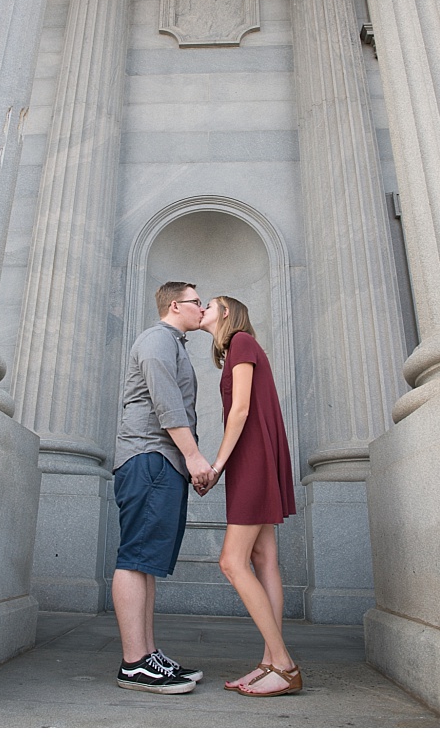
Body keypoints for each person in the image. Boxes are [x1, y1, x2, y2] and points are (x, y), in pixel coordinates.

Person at [111, 281, 213, 694]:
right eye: (197, 302)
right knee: (136, 556)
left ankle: (146, 654)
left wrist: (187, 461)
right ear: (176, 305)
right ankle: (134, 663)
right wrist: (193, 457)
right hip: (149, 456)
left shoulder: (173, 342)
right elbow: (166, 399)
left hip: (160, 459)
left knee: (147, 560)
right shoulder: (157, 338)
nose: (202, 309)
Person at [198, 295, 301, 697]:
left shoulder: (241, 341)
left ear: (226, 312)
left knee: (231, 561)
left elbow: (240, 410)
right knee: (263, 558)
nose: (203, 309)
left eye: (209, 304)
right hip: (254, 458)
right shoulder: (236, 349)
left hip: (252, 458)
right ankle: (270, 664)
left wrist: (216, 465)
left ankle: (284, 664)